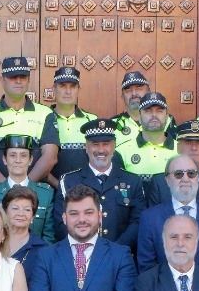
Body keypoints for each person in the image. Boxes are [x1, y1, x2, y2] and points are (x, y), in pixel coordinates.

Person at [135, 155, 199, 276]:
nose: (185, 179)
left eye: (191, 173)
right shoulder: (149, 218)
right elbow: (147, 266)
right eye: (178, 174)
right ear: (167, 180)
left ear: (198, 178)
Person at [53, 118, 143, 247]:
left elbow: (137, 222)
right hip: (80, 256)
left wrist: (115, 251)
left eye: (106, 144)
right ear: (86, 147)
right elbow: (61, 223)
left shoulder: (132, 181)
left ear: (114, 146)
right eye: (95, 144)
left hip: (120, 258)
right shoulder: (68, 181)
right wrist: (86, 249)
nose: (101, 150)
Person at [0, 55, 58, 183]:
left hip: (35, 192)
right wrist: (6, 187)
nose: (18, 81)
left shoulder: (45, 113)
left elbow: (50, 157)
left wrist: (25, 187)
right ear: (2, 80)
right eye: (12, 77)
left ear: (28, 80)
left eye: (23, 77)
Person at [0, 134, 55, 241]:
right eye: (12, 155)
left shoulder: (45, 194)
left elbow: (49, 237)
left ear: (30, 160)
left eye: (23, 155)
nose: (18, 160)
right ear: (4, 159)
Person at [115, 92, 178, 187]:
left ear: (167, 117)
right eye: (148, 111)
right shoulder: (122, 152)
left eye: (159, 111)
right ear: (139, 117)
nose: (154, 115)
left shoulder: (182, 150)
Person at [45, 65, 95, 180]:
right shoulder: (44, 119)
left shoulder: (91, 120)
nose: (68, 91)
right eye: (62, 86)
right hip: (51, 191)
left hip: (84, 192)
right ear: (54, 88)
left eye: (72, 87)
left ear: (78, 89)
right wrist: (60, 187)